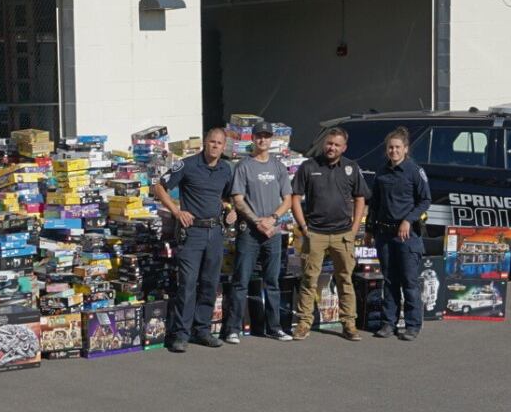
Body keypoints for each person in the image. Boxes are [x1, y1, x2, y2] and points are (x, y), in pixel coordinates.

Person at [152, 127, 238, 353]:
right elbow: (159, 187)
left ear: (224, 146)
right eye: (212, 142)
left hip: (215, 232)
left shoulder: (226, 169)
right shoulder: (187, 165)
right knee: (188, 284)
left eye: (219, 143)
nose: (215, 146)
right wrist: (176, 211)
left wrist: (230, 210)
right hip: (192, 233)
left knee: (210, 283)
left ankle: (202, 331)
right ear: (205, 143)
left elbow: (227, 197)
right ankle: (181, 334)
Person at [290, 127, 368, 341]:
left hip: (343, 234)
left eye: (336, 145)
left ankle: (349, 324)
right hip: (315, 233)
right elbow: (295, 196)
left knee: (345, 279)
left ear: (344, 148)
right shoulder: (309, 166)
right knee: (309, 280)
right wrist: (303, 226)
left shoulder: (351, 168)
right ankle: (304, 323)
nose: (331, 147)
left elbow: (360, 197)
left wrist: (354, 228)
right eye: (329, 143)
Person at [223, 122, 294, 344]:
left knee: (272, 281)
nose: (263, 140)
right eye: (259, 136)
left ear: (271, 139)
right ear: (252, 139)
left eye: (266, 136)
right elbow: (238, 199)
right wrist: (256, 221)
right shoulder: (243, 166)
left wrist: (272, 219)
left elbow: (288, 199)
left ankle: (274, 327)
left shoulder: (278, 167)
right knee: (241, 281)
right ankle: (233, 329)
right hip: (249, 233)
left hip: (273, 232)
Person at [366, 127, 432, 341]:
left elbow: (425, 200)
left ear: (405, 149)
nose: (393, 151)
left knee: (409, 282)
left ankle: (412, 325)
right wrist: (369, 229)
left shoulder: (414, 171)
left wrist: (408, 220)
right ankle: (388, 323)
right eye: (390, 148)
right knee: (390, 281)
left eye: (397, 147)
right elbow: (374, 203)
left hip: (406, 235)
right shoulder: (381, 172)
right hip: (384, 234)